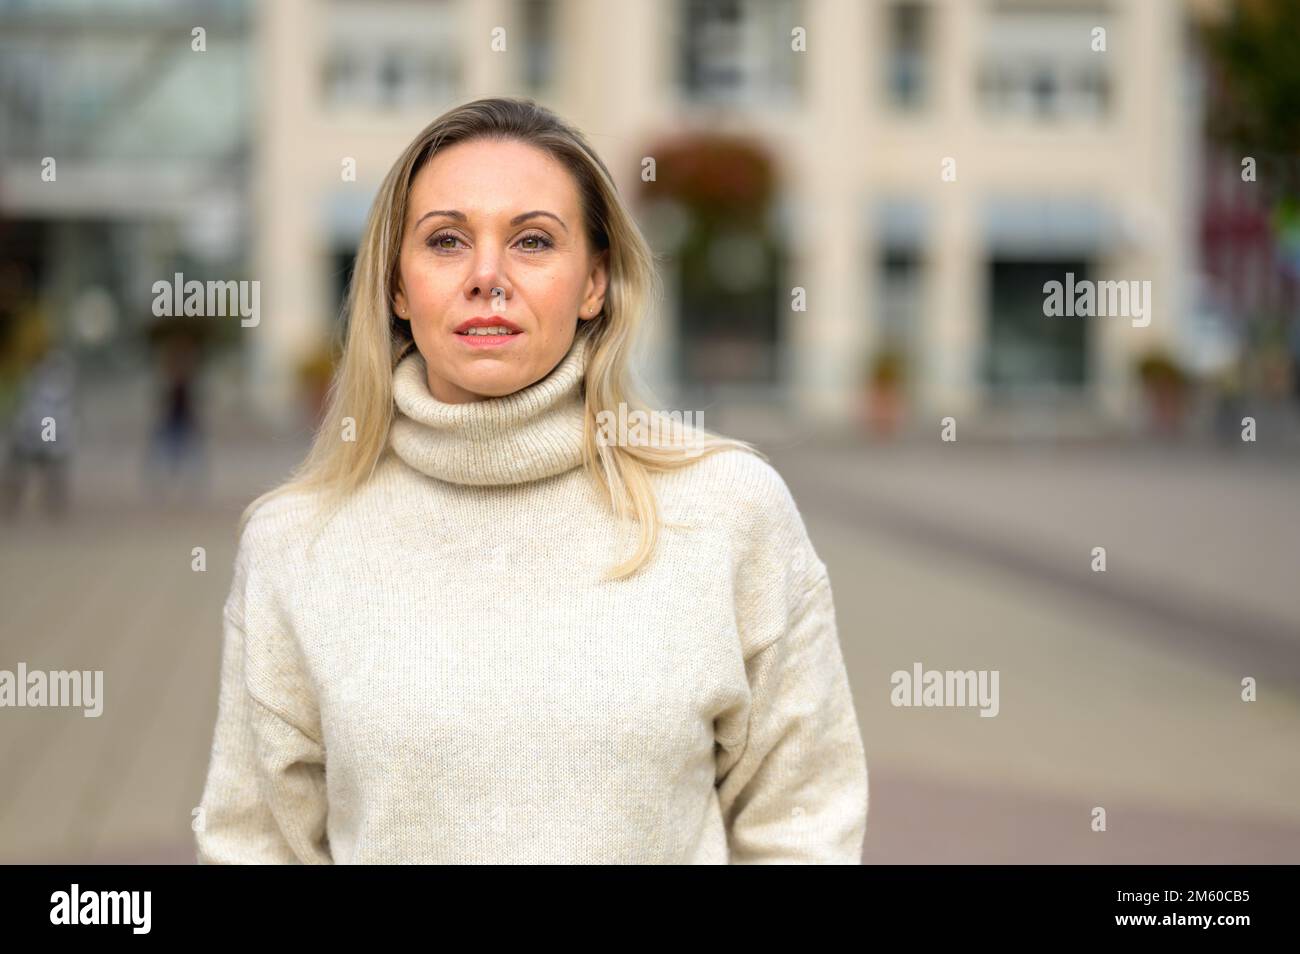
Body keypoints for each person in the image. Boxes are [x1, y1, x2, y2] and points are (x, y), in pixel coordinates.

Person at [195, 97, 868, 864]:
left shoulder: (730, 511)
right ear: (395, 287)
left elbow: (804, 827)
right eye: (446, 241)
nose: (488, 276)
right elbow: (252, 846)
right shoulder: (294, 545)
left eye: (534, 241)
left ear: (594, 285)